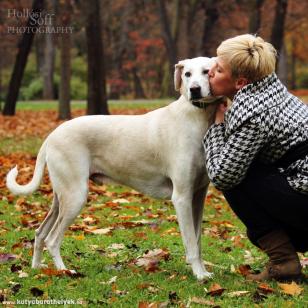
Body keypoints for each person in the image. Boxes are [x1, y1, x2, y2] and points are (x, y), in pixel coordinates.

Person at [203, 33, 308, 282]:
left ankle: (284, 263)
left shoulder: (253, 113)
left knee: (235, 175)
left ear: (240, 82)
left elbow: (222, 176)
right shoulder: (269, 87)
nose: (210, 72)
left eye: (218, 69)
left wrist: (217, 126)